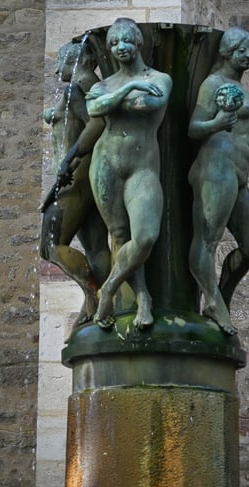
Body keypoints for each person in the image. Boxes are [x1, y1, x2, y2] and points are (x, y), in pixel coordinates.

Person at [86, 18, 172, 329]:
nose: (120, 47)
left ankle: (108, 289)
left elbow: (148, 104)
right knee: (119, 236)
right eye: (113, 43)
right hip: (105, 163)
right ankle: (143, 297)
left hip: (142, 167)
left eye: (125, 40)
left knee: (145, 237)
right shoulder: (104, 85)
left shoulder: (160, 78)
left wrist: (115, 99)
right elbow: (94, 110)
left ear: (138, 42)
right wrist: (130, 88)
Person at [187, 27, 249, 334]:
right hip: (216, 167)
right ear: (227, 52)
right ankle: (212, 301)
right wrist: (217, 122)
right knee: (208, 239)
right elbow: (194, 127)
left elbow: (243, 129)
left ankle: (221, 296)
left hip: (238, 172)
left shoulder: (239, 87)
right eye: (242, 51)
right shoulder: (213, 84)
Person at [40, 42, 111, 324]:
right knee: (96, 247)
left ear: (75, 60)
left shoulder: (75, 90)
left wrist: (69, 159)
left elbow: (96, 123)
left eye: (61, 62)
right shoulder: (87, 88)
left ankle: (94, 296)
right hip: (85, 177)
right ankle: (106, 304)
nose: (56, 70)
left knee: (50, 245)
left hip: (74, 177)